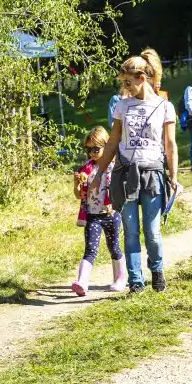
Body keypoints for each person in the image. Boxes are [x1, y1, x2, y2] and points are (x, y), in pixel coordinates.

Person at [90, 55, 178, 293]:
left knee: (152, 232)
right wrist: (99, 175)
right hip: (125, 174)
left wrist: (174, 176)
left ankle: (157, 271)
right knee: (130, 231)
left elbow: (170, 145)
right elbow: (113, 143)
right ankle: (135, 281)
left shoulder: (164, 106)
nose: (124, 87)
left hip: (152, 174)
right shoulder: (122, 106)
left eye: (128, 82)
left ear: (142, 78)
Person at [72, 127, 126, 296]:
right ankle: (82, 282)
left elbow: (119, 188)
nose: (92, 153)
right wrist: (77, 184)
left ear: (106, 146)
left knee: (114, 246)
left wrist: (113, 201)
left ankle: (120, 278)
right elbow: (77, 195)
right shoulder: (86, 169)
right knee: (90, 249)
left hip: (111, 214)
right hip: (93, 215)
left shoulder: (113, 167)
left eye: (96, 149)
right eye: (88, 149)